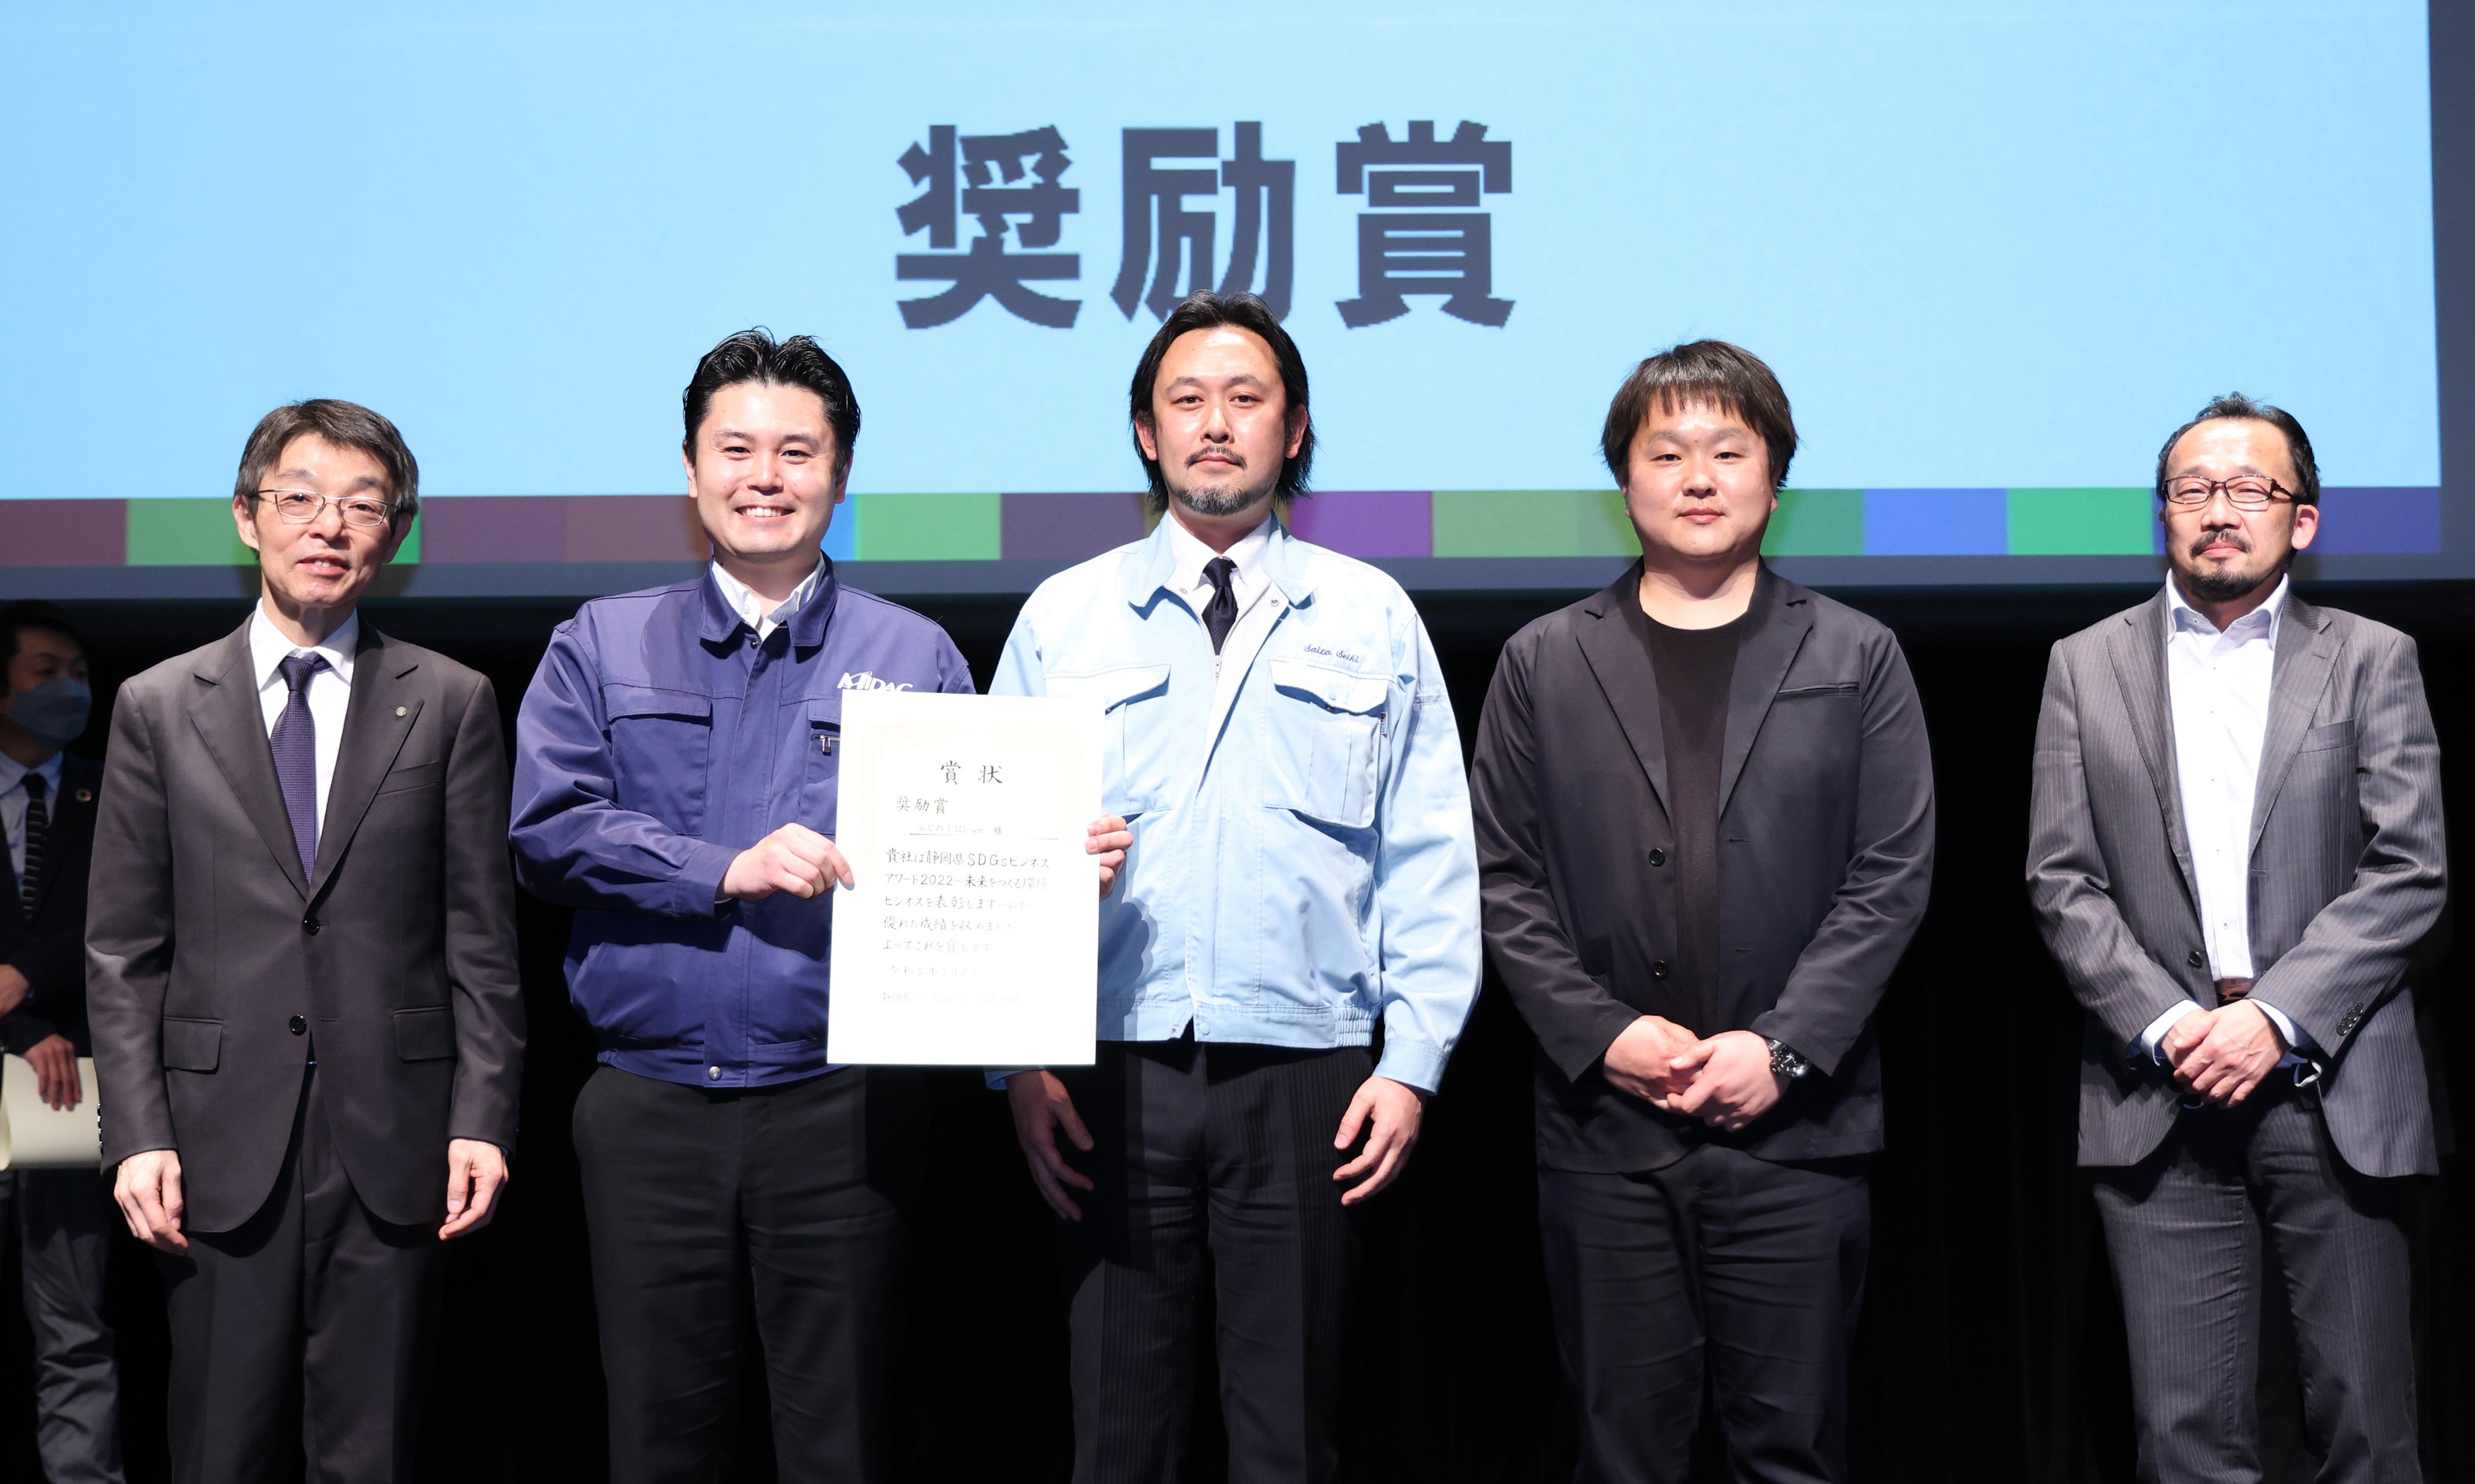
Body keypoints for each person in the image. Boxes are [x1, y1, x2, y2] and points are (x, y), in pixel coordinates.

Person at [510, 329, 1126, 1484]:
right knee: (659, 1438)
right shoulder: (598, 642)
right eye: (735, 448)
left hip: (843, 1112)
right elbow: (550, 834)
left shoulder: (918, 653)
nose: (765, 476)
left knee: (847, 1438)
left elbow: (970, 856)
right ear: (690, 472)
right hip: (649, 1107)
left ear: (839, 477)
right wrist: (724, 865)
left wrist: (1050, 868)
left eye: (798, 451)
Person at [991, 291, 1481, 1484]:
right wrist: (1015, 1063)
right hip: (1112, 1070)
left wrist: (1412, 1064)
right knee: (1119, 1439)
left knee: (1290, 1440)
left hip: (1309, 1076)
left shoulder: (1371, 613)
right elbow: (988, 855)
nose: (1218, 423)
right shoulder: (1065, 614)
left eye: (1247, 399)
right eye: (1188, 401)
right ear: (1148, 436)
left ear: (1295, 429)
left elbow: (1427, 860)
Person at [1468, 342, 1935, 1484]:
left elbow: (1892, 873)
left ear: (1774, 480)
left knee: (1796, 1450)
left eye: (1730, 451)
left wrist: (1783, 1048)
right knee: (1621, 1451)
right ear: (1622, 483)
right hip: (1607, 1132)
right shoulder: (1543, 662)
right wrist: (1602, 1034)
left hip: (1797, 1130)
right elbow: (1500, 877)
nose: (1698, 476)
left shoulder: (1857, 654)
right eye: (1666, 452)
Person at [85, 401, 525, 1483]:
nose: (329, 525)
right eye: (300, 499)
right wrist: (135, 1133)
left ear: (394, 535)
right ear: (248, 518)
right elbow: (122, 950)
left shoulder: (453, 702)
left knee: (371, 1450)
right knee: (218, 1448)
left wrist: (482, 1115)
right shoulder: (154, 704)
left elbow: (482, 939)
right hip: (214, 1139)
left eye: (362, 506)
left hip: (397, 1133)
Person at [2026, 393, 2444, 1483]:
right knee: (2184, 1440)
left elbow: (2410, 870)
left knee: (2365, 1427)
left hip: (2332, 1077)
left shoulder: (2373, 658)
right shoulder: (2084, 664)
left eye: (2249, 489)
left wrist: (2272, 1016)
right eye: (2193, 489)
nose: (2220, 510)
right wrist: (2172, 1026)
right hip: (2158, 1091)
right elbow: (2060, 878)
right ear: (2161, 513)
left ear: (2301, 520)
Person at [0, 602, 125, 1484]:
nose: (66, 687)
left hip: (70, 1092)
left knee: (75, 1327)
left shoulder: (110, 788)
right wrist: (15, 1022)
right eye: (45, 670)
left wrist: (32, 997)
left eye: (77, 671)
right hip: (29, 1050)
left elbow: (130, 922)